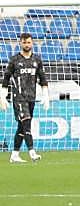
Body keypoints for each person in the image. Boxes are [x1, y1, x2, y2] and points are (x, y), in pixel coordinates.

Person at [1, 32, 50, 163]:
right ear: (20, 43)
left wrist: (46, 96)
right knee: (27, 123)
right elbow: (5, 79)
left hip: (31, 98)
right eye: (24, 42)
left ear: (32, 43)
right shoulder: (14, 60)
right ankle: (32, 152)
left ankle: (14, 154)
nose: (26, 44)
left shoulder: (37, 60)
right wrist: (2, 97)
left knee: (21, 127)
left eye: (28, 42)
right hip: (18, 98)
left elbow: (43, 79)